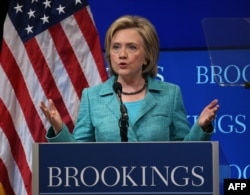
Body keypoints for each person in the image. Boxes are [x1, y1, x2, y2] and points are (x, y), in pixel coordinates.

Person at [40, 15, 219, 142]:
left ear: (147, 55)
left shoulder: (170, 94)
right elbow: (76, 155)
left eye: (132, 47)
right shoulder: (92, 97)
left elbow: (185, 154)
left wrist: (201, 127)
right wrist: (59, 128)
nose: (122, 55)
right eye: (116, 47)